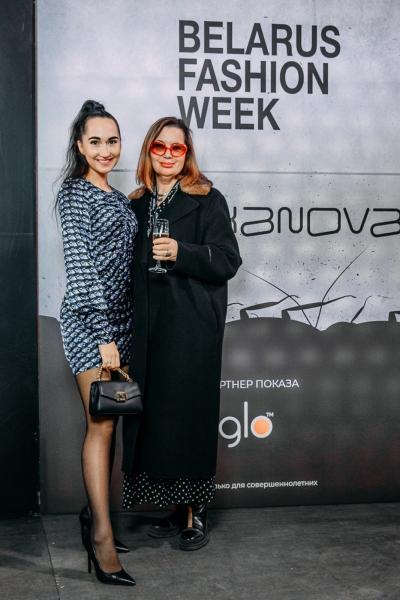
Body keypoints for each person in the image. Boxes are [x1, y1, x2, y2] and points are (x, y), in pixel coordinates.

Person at [123, 116, 242, 550]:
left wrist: (181, 252)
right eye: (160, 147)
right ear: (149, 151)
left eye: (178, 147)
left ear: (187, 154)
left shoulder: (208, 199)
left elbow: (228, 259)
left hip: (191, 328)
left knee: (189, 421)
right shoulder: (136, 204)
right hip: (149, 330)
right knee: (158, 423)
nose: (169, 155)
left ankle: (197, 511)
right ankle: (175, 508)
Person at [57, 100, 137, 585]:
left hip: (124, 325)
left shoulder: (120, 198)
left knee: (114, 423)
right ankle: (103, 540)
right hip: (91, 324)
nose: (105, 150)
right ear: (80, 146)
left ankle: (95, 518)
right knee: (101, 425)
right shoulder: (74, 194)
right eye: (95, 141)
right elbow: (82, 269)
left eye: (112, 141)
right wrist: (105, 336)